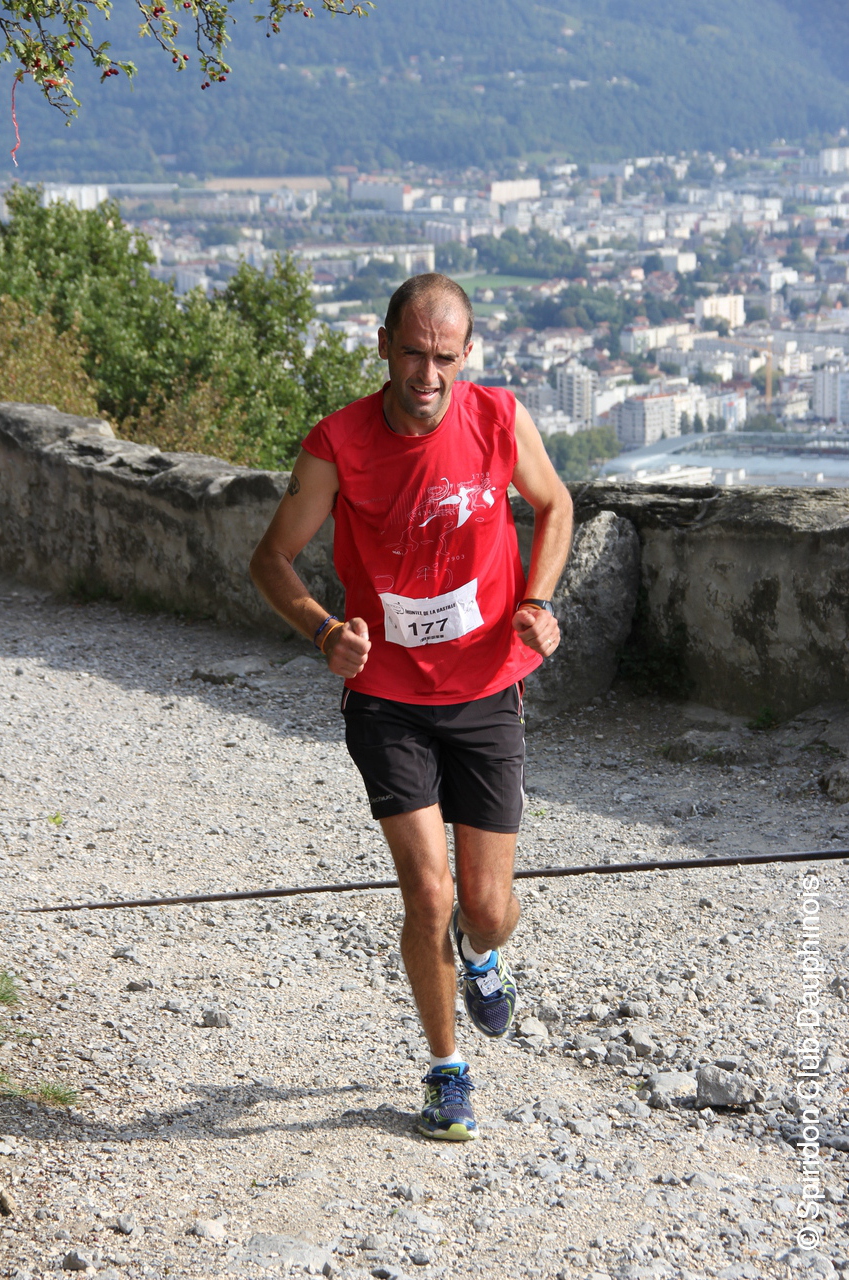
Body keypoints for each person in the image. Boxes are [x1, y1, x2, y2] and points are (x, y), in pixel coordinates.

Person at [250, 273, 573, 1140]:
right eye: (412, 353)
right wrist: (324, 631)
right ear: (383, 344)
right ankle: (445, 1071)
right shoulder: (338, 442)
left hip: (485, 687)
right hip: (386, 698)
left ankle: (481, 952)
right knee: (428, 894)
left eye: (444, 357)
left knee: (486, 907)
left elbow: (554, 504)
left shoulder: (498, 419)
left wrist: (537, 602)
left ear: (465, 355)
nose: (426, 374)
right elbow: (271, 559)